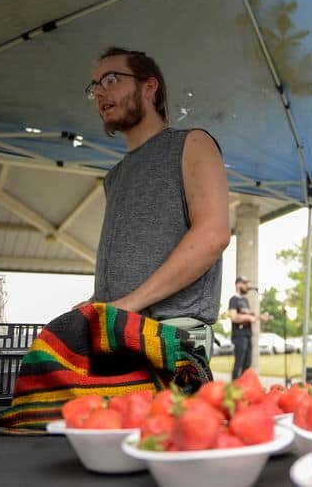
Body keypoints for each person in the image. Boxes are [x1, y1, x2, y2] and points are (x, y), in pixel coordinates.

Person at [74, 48, 230, 342]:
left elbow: (213, 235)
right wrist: (98, 301)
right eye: (94, 86)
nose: (98, 92)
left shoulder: (193, 143)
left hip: (172, 334)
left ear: (149, 87)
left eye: (110, 80)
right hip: (118, 333)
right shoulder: (115, 176)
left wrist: (127, 306)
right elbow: (138, 262)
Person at [229, 276, 258, 379]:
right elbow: (233, 317)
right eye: (245, 284)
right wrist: (248, 317)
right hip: (239, 335)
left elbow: (250, 316)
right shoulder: (233, 300)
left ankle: (244, 390)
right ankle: (233, 389)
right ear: (238, 284)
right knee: (239, 363)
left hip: (248, 334)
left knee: (247, 364)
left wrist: (257, 317)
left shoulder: (245, 300)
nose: (247, 286)